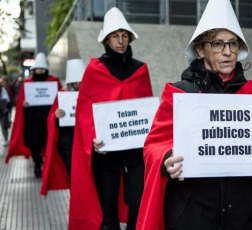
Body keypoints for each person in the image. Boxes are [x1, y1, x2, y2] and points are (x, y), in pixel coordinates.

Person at [136, 0, 252, 230]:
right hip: (192, 214)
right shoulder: (179, 93)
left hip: (243, 214)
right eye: (218, 44)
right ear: (200, 49)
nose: (228, 52)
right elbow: (153, 146)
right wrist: (167, 159)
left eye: (233, 44)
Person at [69, 7, 153, 230]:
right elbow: (85, 112)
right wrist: (93, 138)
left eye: (124, 36)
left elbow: (145, 110)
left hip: (135, 153)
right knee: (108, 210)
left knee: (138, 202)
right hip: (106, 153)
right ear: (106, 39)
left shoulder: (140, 69)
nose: (121, 41)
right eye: (115, 36)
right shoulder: (94, 70)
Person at [5, 52, 62, 179]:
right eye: (38, 69)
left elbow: (61, 99)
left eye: (42, 69)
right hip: (33, 121)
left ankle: (47, 166)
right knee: (35, 145)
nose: (40, 71)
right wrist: (24, 105)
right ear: (34, 70)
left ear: (46, 69)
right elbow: (20, 103)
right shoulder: (28, 83)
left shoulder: (54, 82)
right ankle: (37, 163)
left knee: (49, 144)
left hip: (49, 121)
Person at [40, 59, 85, 196]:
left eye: (80, 82)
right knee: (74, 177)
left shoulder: (92, 93)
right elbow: (50, 118)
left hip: (86, 144)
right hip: (68, 144)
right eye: (75, 82)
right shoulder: (62, 95)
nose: (78, 85)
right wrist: (56, 115)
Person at [0, 79, 10, 147]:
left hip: (1, 110)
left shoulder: (2, 89)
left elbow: (7, 99)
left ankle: (6, 139)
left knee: (4, 126)